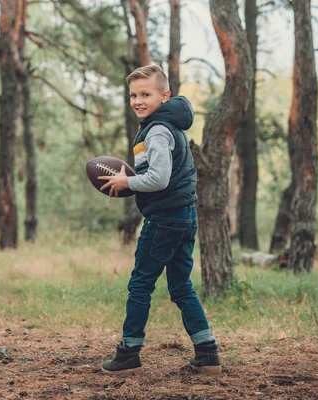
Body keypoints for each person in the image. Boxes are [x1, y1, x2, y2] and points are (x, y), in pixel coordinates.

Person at [98, 65, 220, 375]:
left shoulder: (157, 130)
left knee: (140, 285)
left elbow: (159, 178)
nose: (138, 100)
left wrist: (128, 183)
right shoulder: (165, 126)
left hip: (165, 219)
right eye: (133, 95)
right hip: (184, 216)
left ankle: (128, 353)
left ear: (164, 96)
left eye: (145, 94)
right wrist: (133, 177)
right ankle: (206, 353)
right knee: (180, 287)